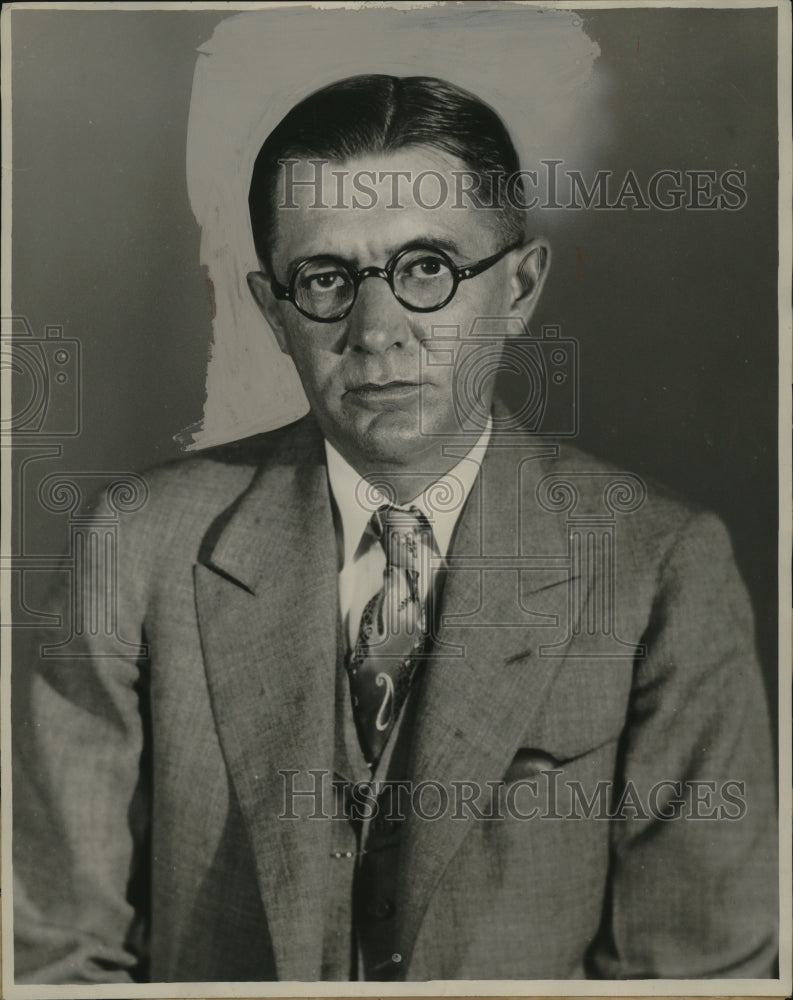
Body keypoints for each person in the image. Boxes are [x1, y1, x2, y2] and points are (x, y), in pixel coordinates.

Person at [13, 74, 777, 984]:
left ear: (521, 287)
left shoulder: (659, 570)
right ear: (272, 309)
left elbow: (701, 973)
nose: (377, 332)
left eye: (426, 270)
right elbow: (51, 955)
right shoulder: (136, 544)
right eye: (326, 278)